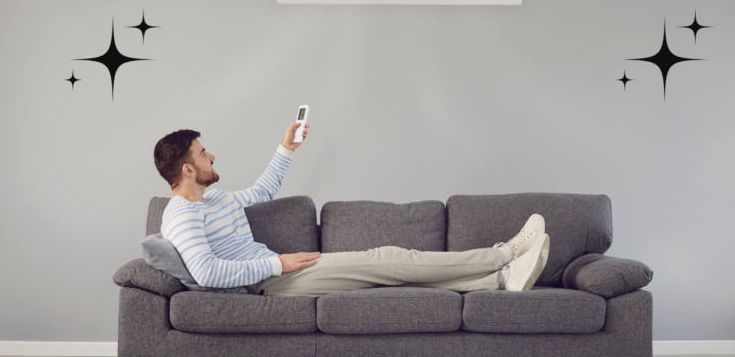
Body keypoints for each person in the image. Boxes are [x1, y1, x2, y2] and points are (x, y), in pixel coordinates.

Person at [153, 123, 550, 297]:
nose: (212, 156)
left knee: (386, 275)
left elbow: (263, 190)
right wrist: (279, 265)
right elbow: (205, 273)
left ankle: (498, 282)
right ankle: (504, 253)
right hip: (269, 284)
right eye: (204, 154)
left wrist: (286, 148)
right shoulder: (183, 215)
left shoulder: (214, 199)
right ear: (188, 169)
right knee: (390, 259)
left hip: (278, 272)